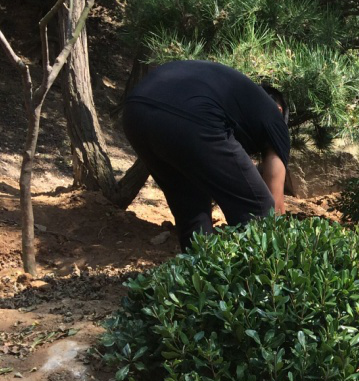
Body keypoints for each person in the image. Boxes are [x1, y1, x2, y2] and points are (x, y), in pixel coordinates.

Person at [123, 60, 291, 251]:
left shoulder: (235, 97)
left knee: (192, 213)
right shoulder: (275, 119)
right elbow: (275, 206)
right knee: (259, 209)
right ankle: (260, 271)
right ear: (280, 110)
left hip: (135, 111)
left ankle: (198, 268)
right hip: (192, 117)